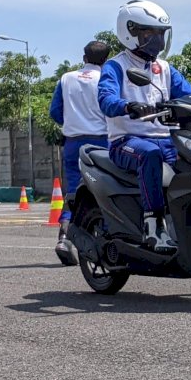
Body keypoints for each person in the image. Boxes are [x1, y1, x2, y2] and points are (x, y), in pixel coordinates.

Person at [97, 0, 191, 253]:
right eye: (149, 33)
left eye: (161, 33)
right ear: (129, 32)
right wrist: (128, 106)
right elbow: (105, 99)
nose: (157, 40)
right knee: (149, 156)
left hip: (166, 138)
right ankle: (154, 225)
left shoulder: (164, 68)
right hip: (127, 141)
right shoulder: (116, 66)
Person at [49, 40, 111, 261]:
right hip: (102, 142)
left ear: (84, 58)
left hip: (73, 143)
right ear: (106, 60)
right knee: (106, 190)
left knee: (74, 192)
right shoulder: (107, 78)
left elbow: (55, 111)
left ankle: (64, 238)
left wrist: (73, 121)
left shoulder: (67, 78)